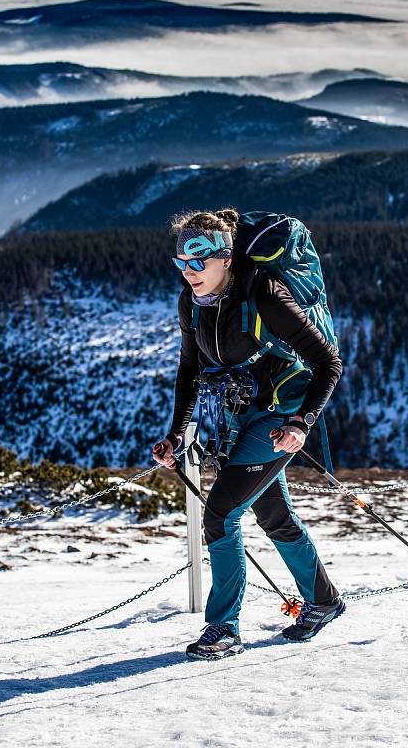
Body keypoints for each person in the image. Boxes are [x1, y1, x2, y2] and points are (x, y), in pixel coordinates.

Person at [153, 207, 345, 661]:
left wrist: (302, 424)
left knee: (220, 513)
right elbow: (189, 371)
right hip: (241, 413)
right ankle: (323, 601)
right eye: (181, 264)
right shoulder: (192, 304)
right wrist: (176, 435)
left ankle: (224, 628)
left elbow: (328, 363)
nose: (188, 273)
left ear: (225, 258)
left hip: (280, 415)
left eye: (197, 263)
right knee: (272, 512)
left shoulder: (265, 295)